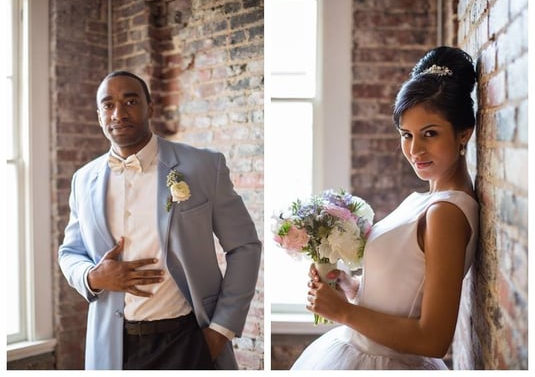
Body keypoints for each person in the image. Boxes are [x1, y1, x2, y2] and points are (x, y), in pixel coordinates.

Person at [58, 71, 262, 370]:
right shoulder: (83, 179)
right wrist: (92, 277)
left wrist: (220, 330)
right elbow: (70, 252)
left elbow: (245, 246)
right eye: (108, 105)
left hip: (188, 340)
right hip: (112, 347)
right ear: (99, 114)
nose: (119, 113)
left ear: (150, 107)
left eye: (130, 101)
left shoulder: (204, 166)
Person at [291, 46, 479, 370]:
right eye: (406, 134)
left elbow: (434, 338)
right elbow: (405, 290)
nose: (414, 149)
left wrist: (342, 313)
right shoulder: (424, 201)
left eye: (429, 134)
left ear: (464, 133)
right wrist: (351, 288)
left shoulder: (446, 213)